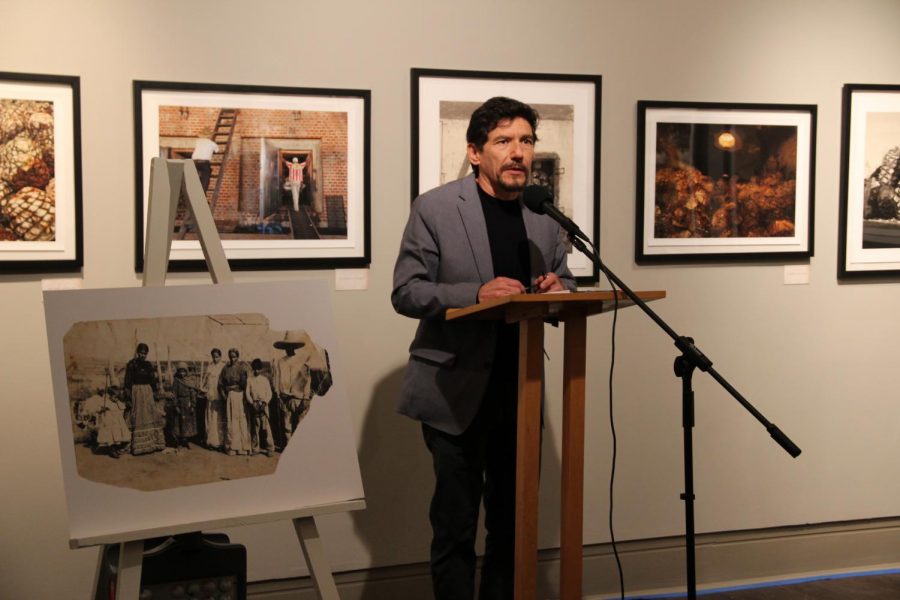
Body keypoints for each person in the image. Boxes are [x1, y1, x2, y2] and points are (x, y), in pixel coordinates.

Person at [391, 96, 576, 600]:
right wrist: (474, 294)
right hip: (455, 395)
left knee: (514, 530)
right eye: (503, 141)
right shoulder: (435, 207)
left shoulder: (544, 217)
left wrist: (561, 289)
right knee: (455, 528)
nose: (518, 152)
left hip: (521, 393)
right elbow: (406, 291)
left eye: (526, 141)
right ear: (476, 152)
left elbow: (566, 279)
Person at [272, 330, 332, 447]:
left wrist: (305, 397)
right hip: (285, 397)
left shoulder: (301, 362)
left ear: (294, 347)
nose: (288, 348)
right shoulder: (280, 362)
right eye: (286, 346)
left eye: (291, 346)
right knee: (286, 426)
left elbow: (307, 380)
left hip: (299, 397)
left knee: (300, 424)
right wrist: (278, 395)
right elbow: (277, 379)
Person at [124, 342, 166, 456]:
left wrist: (155, 393)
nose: (143, 355)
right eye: (141, 353)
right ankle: (137, 446)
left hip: (147, 392)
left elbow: (152, 380)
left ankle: (152, 444)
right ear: (137, 353)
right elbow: (127, 381)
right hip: (136, 392)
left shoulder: (148, 365)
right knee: (138, 415)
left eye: (145, 353)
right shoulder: (132, 364)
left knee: (149, 414)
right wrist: (128, 396)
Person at [218, 347, 252, 456]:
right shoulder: (225, 368)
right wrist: (224, 396)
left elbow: (246, 384)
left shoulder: (242, 368)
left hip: (240, 395)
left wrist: (246, 397)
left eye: (235, 356)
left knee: (241, 420)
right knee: (231, 420)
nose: (233, 359)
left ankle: (243, 447)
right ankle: (232, 446)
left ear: (238, 356)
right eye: (231, 357)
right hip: (230, 396)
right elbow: (220, 384)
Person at [246, 358, 275, 457]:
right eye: (254, 369)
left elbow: (269, 394)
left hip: (263, 406)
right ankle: (255, 448)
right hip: (254, 405)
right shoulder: (249, 380)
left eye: (258, 369)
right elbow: (247, 394)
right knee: (255, 429)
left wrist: (264, 403)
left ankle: (270, 448)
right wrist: (252, 403)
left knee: (266, 429)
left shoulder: (265, 380)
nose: (256, 371)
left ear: (261, 369)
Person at [201, 348, 226, 450]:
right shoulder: (210, 366)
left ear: (220, 356)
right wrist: (206, 390)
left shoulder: (223, 366)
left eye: (217, 356)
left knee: (219, 416)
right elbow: (206, 381)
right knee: (210, 416)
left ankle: (220, 442)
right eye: (214, 357)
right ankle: (211, 441)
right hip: (211, 393)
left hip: (219, 393)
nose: (215, 359)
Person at [170, 362, 198, 449]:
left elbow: (192, 393)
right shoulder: (176, 381)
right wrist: (176, 406)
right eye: (180, 371)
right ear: (178, 372)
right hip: (180, 404)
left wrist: (193, 405)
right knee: (179, 423)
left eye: (184, 371)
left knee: (188, 423)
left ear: (186, 372)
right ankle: (179, 442)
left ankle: (186, 441)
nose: (182, 373)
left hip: (188, 404)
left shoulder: (189, 381)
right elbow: (174, 394)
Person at [191, 128, 218, 193]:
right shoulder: (212, 143)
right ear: (210, 136)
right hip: (204, 162)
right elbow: (217, 151)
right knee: (205, 179)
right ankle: (202, 195)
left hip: (194, 162)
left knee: (195, 179)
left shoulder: (198, 141)